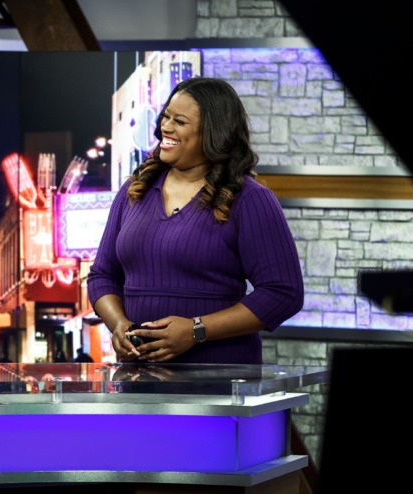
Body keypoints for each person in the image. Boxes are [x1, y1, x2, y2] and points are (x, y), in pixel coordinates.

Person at [87, 77, 304, 365]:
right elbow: (103, 276)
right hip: (139, 379)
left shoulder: (249, 199)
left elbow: (283, 293)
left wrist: (196, 330)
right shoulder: (134, 191)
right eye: (165, 116)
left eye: (179, 121)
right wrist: (119, 325)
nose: (165, 127)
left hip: (218, 380)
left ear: (213, 133)